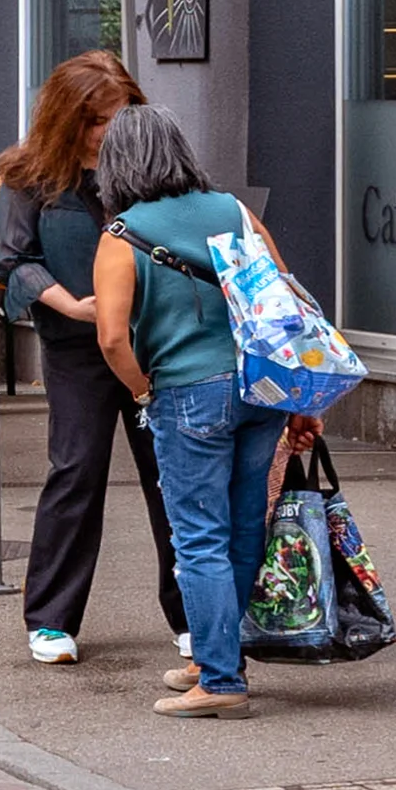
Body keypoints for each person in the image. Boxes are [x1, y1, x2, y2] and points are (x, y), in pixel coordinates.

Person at [91, 104, 292, 719]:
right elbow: (282, 291)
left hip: (186, 392)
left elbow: (111, 338)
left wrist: (143, 390)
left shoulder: (122, 235)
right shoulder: (234, 210)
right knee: (240, 528)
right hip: (262, 388)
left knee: (198, 536)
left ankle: (222, 683)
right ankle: (213, 657)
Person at [0, 53, 171, 667]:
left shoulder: (148, 168)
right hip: (76, 346)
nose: (109, 133)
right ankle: (50, 619)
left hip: (154, 343)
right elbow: (11, 259)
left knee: (171, 475)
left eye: (119, 118)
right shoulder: (31, 177)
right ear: (69, 120)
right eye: (97, 121)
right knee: (76, 472)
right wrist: (72, 307)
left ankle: (192, 615)